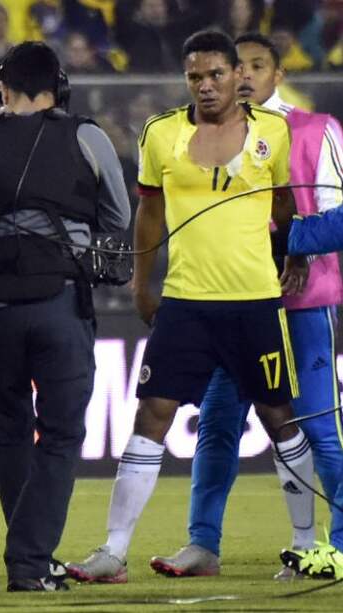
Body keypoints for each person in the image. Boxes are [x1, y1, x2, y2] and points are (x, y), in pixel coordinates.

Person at [66, 30, 311, 584]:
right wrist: (141, 285)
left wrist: (291, 252)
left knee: (280, 419)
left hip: (254, 302)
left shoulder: (273, 131)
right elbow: (148, 213)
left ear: (235, 76)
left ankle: (301, 545)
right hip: (185, 302)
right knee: (151, 414)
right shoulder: (161, 133)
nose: (205, 85)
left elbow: (285, 203)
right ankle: (114, 550)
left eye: (215, 75)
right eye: (195, 77)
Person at [0, 41, 131, 592]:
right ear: (57, 86)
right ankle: (30, 561)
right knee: (61, 434)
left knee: (11, 424)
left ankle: (27, 552)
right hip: (61, 302)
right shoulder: (87, 136)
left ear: (4, 87)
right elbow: (118, 215)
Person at [150, 33, 343, 580]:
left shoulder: (313, 130)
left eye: (261, 65)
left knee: (318, 426)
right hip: (229, 302)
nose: (249, 75)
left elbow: (341, 216)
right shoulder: (206, 134)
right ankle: (203, 544)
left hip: (302, 305)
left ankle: (336, 544)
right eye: (243, 66)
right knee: (217, 426)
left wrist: (288, 242)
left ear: (278, 74)